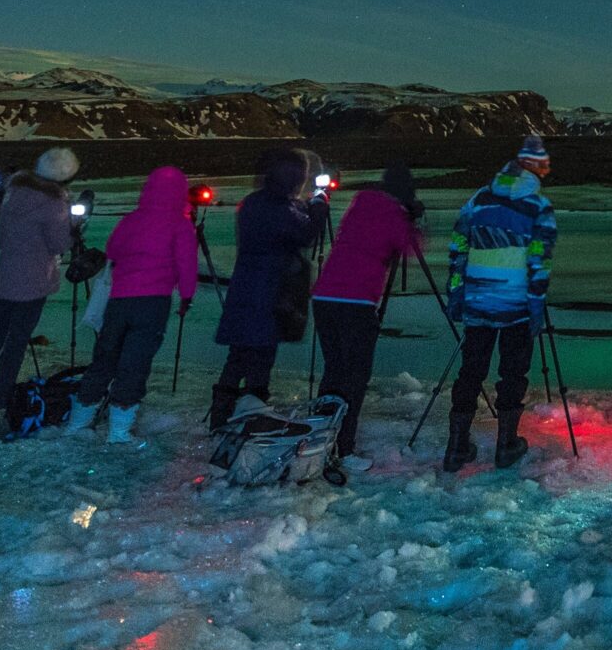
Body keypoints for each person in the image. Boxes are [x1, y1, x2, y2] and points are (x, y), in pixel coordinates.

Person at [443, 136, 558, 472]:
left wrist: (457, 294)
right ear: (535, 168)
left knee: (471, 370)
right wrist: (536, 307)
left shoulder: (478, 199)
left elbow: (458, 249)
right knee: (512, 372)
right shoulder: (539, 207)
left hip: (478, 300)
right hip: (516, 305)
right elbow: (540, 263)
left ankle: (456, 447)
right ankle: (506, 445)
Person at [0, 147, 81, 430]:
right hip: (33, 284)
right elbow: (60, 245)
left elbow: (0, 237)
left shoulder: (14, 194)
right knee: (15, 345)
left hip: (5, 279)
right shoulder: (53, 203)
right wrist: (74, 225)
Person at [68, 165, 198, 442]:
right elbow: (187, 265)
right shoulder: (180, 225)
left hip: (119, 300)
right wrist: (187, 296)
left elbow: (113, 250)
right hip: (153, 303)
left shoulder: (131, 220)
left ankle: (79, 421)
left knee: (104, 358)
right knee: (134, 364)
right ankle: (119, 429)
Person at [310, 162, 427, 469]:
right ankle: (344, 449)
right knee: (355, 376)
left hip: (324, 297)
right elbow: (412, 247)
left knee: (334, 369)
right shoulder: (394, 215)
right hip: (356, 302)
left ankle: (318, 441)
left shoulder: (360, 203)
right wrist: (413, 220)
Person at [209, 148, 323, 428]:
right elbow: (304, 234)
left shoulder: (253, 203)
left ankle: (222, 415)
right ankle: (251, 414)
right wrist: (319, 209)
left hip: (247, 286)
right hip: (272, 291)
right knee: (261, 354)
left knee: (239, 354)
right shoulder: (280, 208)